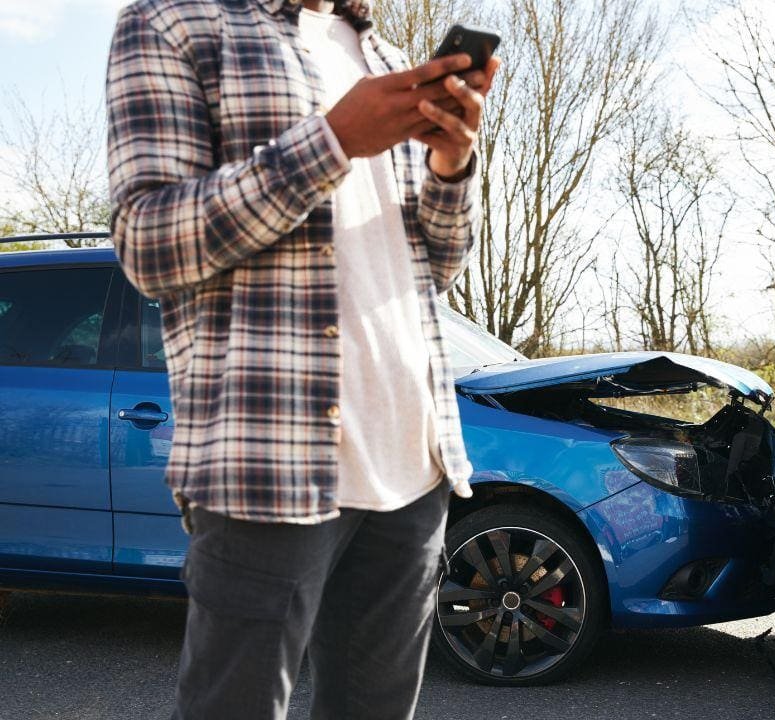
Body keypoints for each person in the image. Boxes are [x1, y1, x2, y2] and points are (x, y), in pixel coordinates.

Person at [105, 0, 499, 717]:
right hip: (269, 461)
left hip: (412, 461)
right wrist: (334, 140)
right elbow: (147, 242)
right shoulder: (175, 23)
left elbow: (433, 266)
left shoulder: (378, 56)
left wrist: (452, 161)